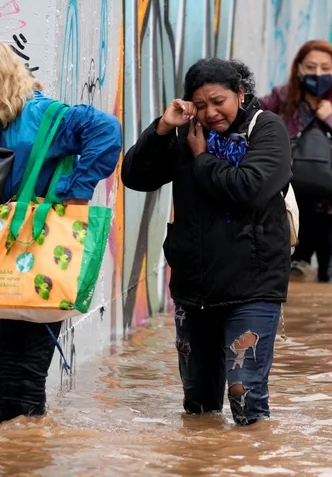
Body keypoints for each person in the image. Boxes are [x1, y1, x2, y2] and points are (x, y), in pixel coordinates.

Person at [0, 35, 121, 423]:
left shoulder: (38, 114)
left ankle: (23, 455)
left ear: (1, 77)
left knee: (17, 383)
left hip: (29, 259)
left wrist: (73, 191)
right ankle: (11, 448)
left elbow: (105, 129)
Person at [122, 58, 291, 425]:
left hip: (254, 285)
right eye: (200, 105)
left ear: (240, 94)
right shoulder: (186, 134)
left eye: (219, 101)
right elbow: (135, 176)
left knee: (243, 394)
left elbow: (251, 187)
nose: (211, 112)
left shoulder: (267, 129)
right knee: (198, 408)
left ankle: (250, 464)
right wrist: (164, 128)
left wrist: (202, 159)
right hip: (194, 288)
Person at [259, 40, 332, 284]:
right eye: (310, 67)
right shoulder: (281, 99)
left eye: (324, 68)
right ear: (299, 68)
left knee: (330, 283)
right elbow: (247, 114)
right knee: (286, 282)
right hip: (291, 209)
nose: (318, 74)